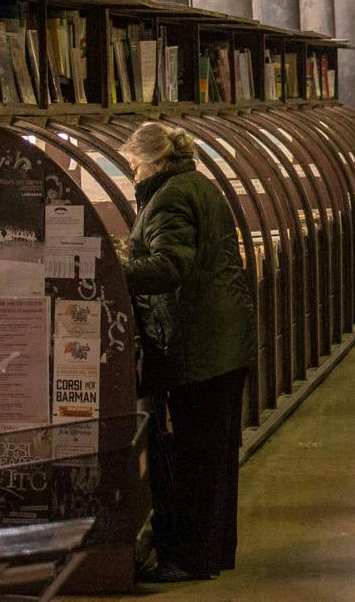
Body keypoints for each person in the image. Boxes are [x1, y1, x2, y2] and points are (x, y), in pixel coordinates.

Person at [121, 121, 255, 582]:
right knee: (215, 456)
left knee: (195, 457)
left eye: (134, 165)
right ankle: (212, 552)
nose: (132, 174)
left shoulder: (171, 195)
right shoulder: (196, 184)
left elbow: (170, 265)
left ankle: (188, 559)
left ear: (155, 161)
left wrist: (116, 269)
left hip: (202, 345)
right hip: (221, 339)